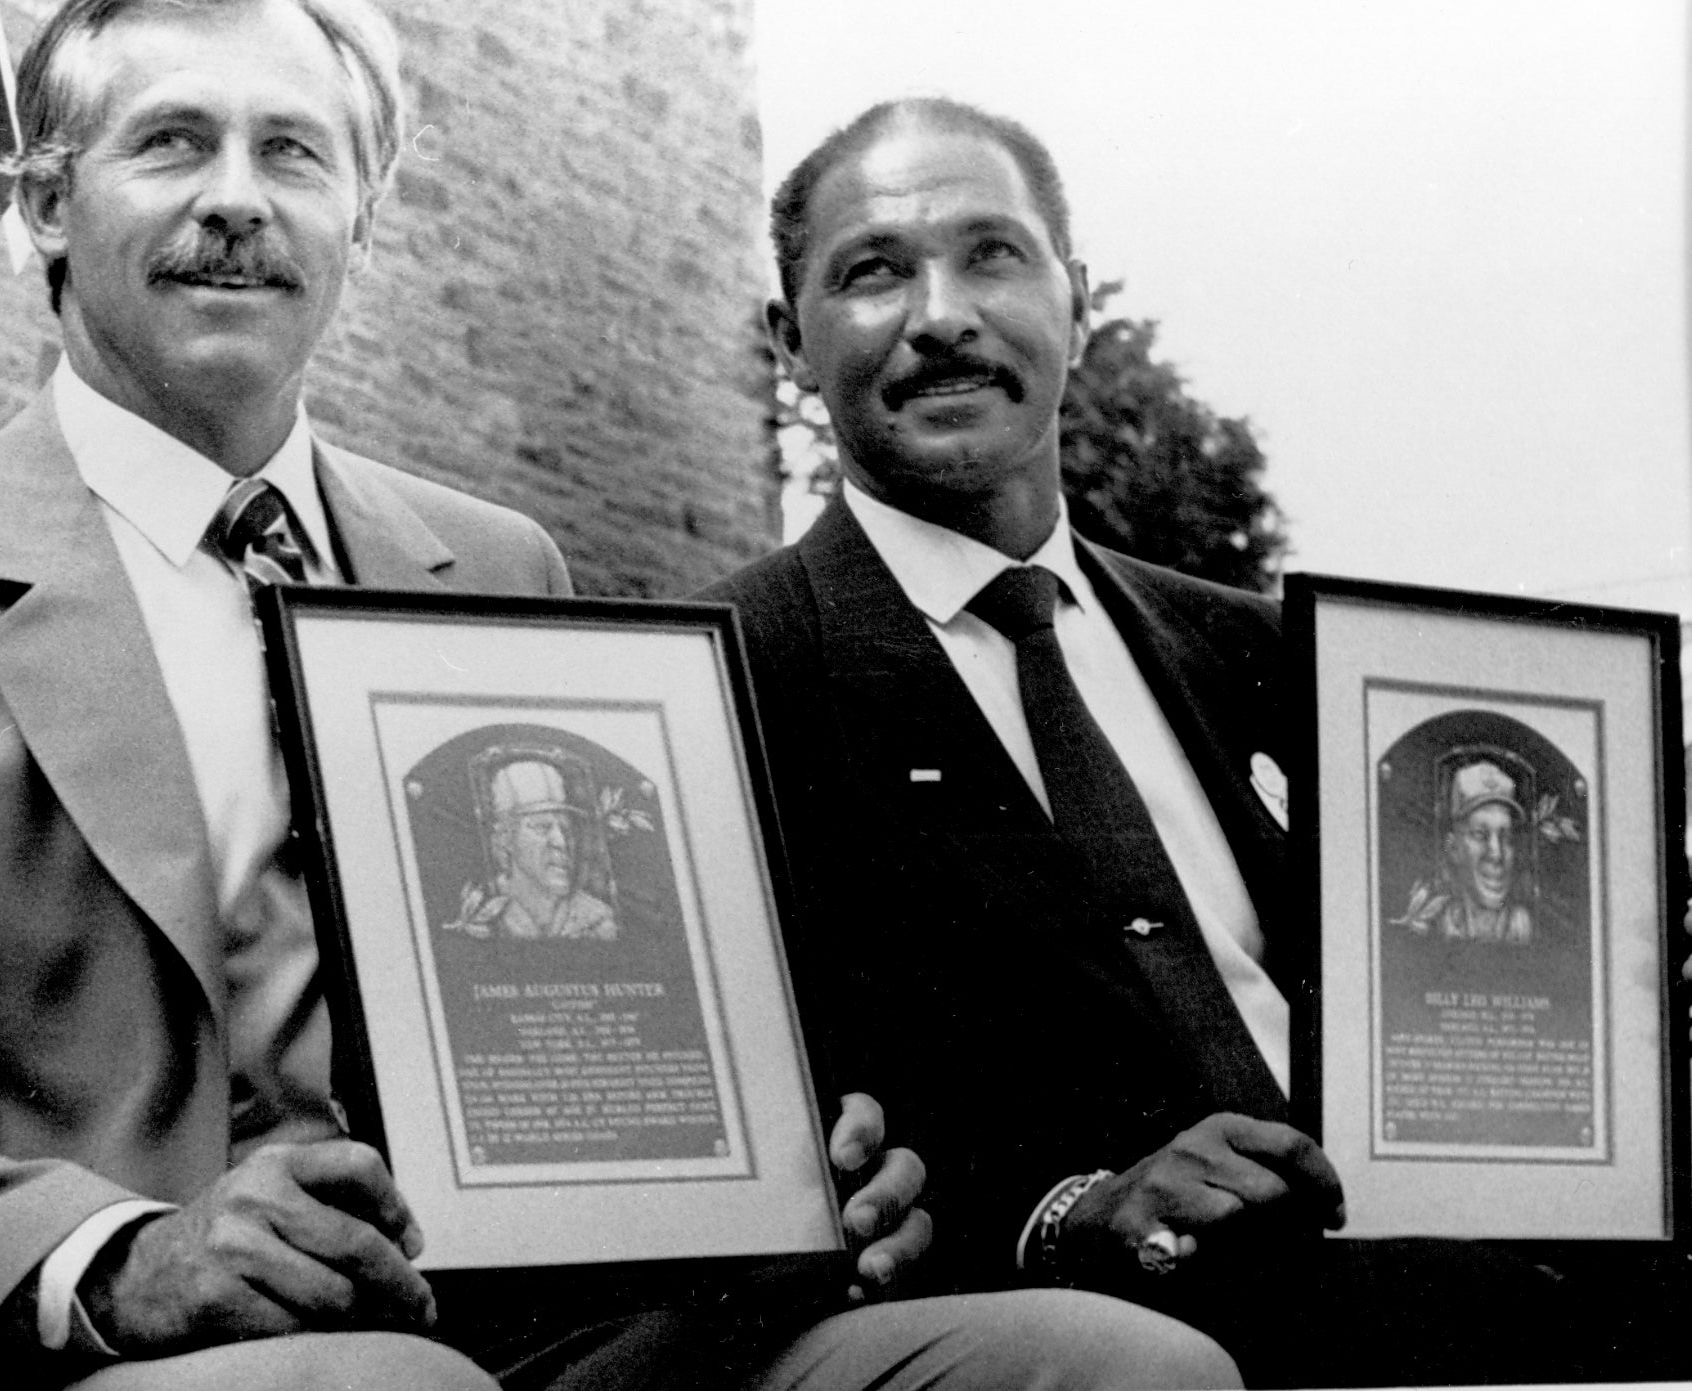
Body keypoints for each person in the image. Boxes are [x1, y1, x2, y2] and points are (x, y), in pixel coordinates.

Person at [0, 0, 1238, 1391]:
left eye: (293, 152)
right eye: (171, 142)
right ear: (44, 208)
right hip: (140, 1351)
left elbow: (609, 1001)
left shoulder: (497, 563)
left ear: (361, 222)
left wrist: (785, 1159)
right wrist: (125, 1254)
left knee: (1113, 1360)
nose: (237, 199)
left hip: (566, 1326)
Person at [698, 97, 1635, 1386]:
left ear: (1072, 299)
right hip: (1088, 1326)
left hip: (1433, 1269)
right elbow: (778, 1157)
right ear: (787, 339)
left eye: (992, 254)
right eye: (872, 271)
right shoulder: (724, 677)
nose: (939, 315)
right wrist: (1071, 1208)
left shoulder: (1255, 653)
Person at [1392, 760, 1532, 943]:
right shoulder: (1436, 924)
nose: (1496, 854)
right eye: (1480, 835)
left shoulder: (1522, 926)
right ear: (1453, 849)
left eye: (1506, 838)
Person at [484, 758, 617, 940]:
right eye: (542, 827)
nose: (561, 842)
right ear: (505, 839)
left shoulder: (599, 921)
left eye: (566, 829)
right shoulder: (485, 915)